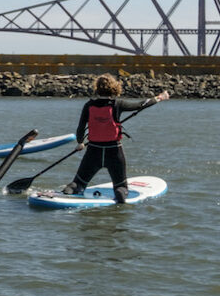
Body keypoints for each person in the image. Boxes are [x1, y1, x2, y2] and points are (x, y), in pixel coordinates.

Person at [64, 75, 171, 203]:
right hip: (114, 152)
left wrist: (80, 142)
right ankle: (120, 198)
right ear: (114, 88)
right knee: (120, 187)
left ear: (97, 89)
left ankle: (67, 192)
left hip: (93, 151)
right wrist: (160, 97)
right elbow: (141, 104)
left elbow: (80, 128)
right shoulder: (117, 104)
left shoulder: (89, 105)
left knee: (77, 184)